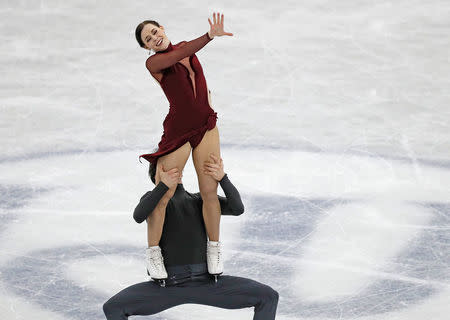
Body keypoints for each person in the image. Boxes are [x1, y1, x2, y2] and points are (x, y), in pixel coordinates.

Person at [102, 156, 279, 320]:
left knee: (268, 297)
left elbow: (237, 208)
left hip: (208, 283)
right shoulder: (154, 201)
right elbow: (139, 215)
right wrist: (162, 186)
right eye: (169, 168)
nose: (175, 170)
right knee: (113, 308)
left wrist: (222, 178)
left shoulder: (200, 201)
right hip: (167, 287)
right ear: (158, 173)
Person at [134, 12, 233, 281]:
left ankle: (213, 248)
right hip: (178, 131)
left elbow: (196, 77)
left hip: (206, 127)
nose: (154, 38)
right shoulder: (154, 63)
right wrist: (209, 36)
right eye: (148, 39)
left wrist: (208, 103)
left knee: (209, 189)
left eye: (154, 31)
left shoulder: (186, 48)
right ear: (146, 47)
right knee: (163, 191)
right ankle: (154, 253)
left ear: (162, 28)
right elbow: (182, 54)